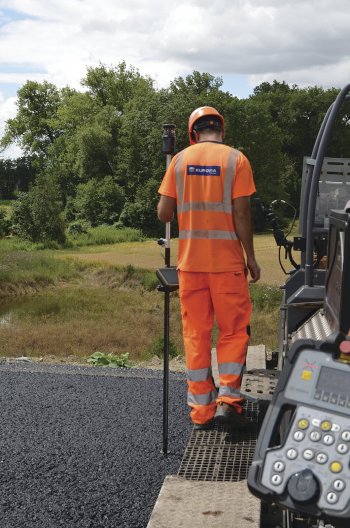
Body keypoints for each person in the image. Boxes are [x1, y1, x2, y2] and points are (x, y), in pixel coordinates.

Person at [157, 106, 261, 430]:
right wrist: (251, 258)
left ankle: (201, 412)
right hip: (228, 266)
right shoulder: (236, 160)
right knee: (232, 333)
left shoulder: (178, 161)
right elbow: (242, 213)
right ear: (221, 130)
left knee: (196, 336)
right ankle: (229, 401)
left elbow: (164, 214)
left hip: (191, 267)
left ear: (193, 132)